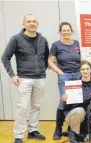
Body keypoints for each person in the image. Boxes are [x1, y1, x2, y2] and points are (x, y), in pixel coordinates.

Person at [1, 14, 49, 143]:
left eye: (34, 21)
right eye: (29, 21)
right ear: (24, 24)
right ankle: (18, 136)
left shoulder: (43, 39)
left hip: (40, 79)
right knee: (23, 107)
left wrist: (41, 71)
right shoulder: (16, 39)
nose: (32, 23)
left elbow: (46, 57)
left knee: (36, 106)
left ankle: (33, 131)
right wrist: (12, 75)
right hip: (24, 79)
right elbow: (5, 57)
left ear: (37, 24)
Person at [48, 22, 81, 140]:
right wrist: (60, 73)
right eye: (64, 30)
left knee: (75, 102)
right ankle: (58, 128)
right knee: (64, 101)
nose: (66, 32)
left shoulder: (77, 44)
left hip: (78, 76)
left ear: (71, 31)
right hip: (64, 76)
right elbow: (50, 61)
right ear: (60, 32)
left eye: (68, 30)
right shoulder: (56, 45)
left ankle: (71, 129)